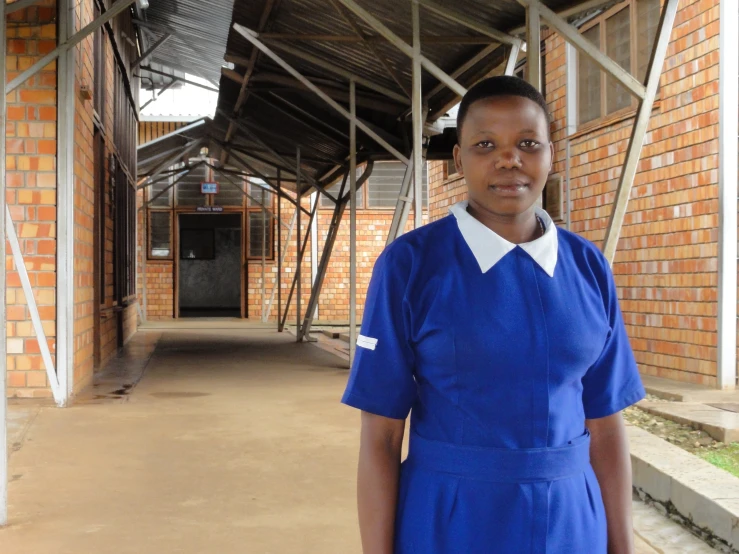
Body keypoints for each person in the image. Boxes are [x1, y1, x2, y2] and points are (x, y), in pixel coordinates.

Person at [341, 75, 646, 554]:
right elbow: (381, 434)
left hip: (571, 523)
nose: (510, 159)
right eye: (486, 144)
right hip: (450, 520)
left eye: (528, 143)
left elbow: (606, 427)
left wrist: (622, 547)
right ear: (460, 158)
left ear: (550, 152)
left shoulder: (588, 267)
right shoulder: (410, 265)